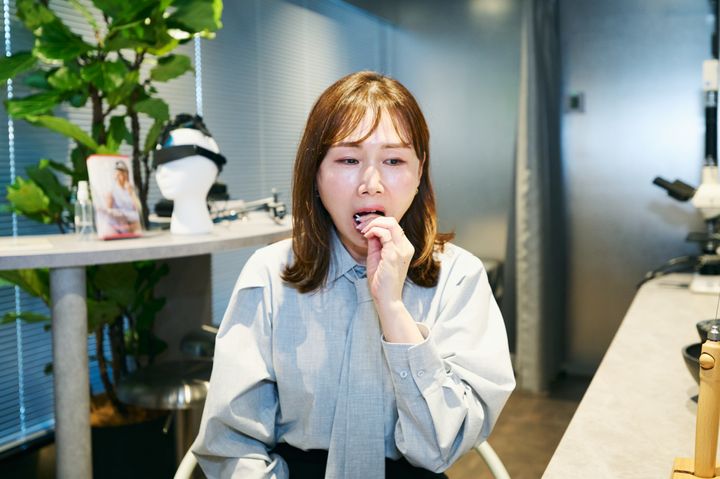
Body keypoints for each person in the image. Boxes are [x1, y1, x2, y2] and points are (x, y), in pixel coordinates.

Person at [193, 71, 515, 479]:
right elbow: (231, 444)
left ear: (419, 173)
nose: (371, 184)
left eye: (394, 160)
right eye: (348, 160)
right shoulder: (269, 275)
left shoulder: (459, 277)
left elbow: (440, 447)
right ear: (316, 174)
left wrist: (393, 308)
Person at [101, 160, 142, 236]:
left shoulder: (131, 189)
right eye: (119, 173)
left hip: (132, 223)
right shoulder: (111, 190)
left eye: (124, 173)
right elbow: (108, 211)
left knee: (137, 228)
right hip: (118, 224)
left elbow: (139, 208)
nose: (122, 176)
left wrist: (132, 193)